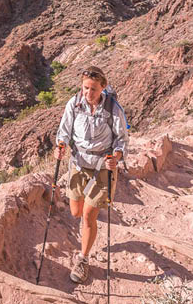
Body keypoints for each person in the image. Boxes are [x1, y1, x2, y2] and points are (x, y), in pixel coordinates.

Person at [54, 66, 128, 284]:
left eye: (93, 89)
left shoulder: (112, 107)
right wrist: (60, 145)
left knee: (88, 215)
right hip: (78, 163)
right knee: (75, 212)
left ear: (103, 87)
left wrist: (116, 156)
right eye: (86, 88)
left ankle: (83, 259)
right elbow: (64, 131)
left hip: (102, 166)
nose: (89, 93)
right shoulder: (74, 104)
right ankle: (87, 233)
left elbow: (122, 138)